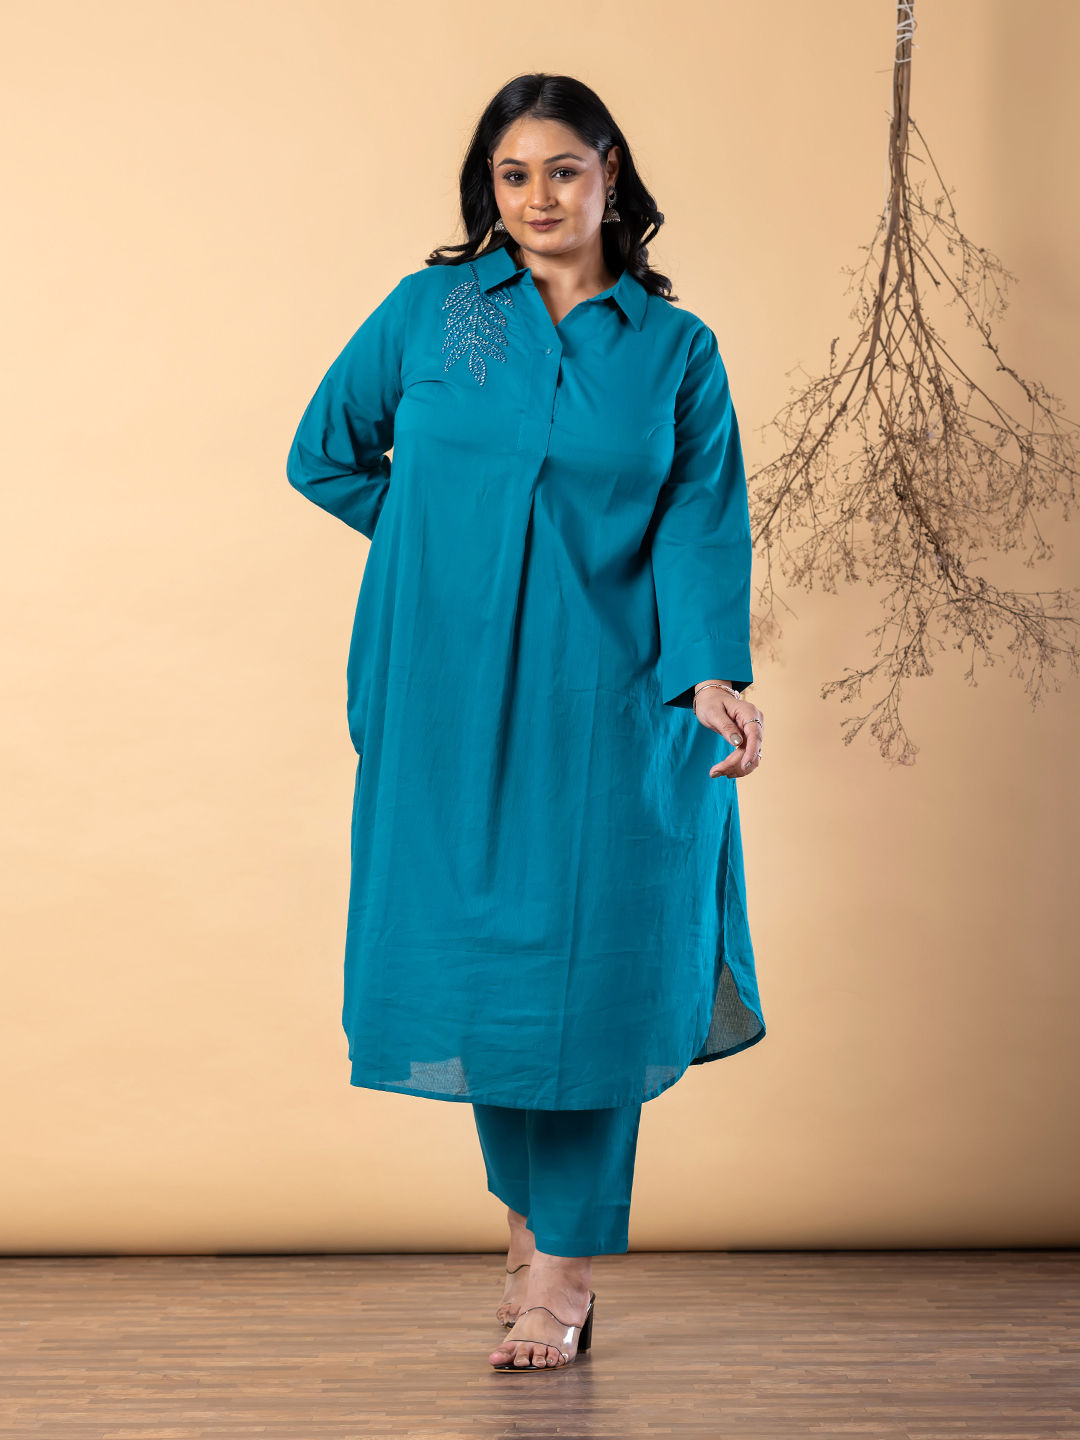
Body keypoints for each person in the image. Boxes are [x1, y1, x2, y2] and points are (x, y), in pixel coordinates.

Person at [285, 72, 767, 1373]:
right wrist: (442, 553)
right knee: (492, 974)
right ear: (487, 191)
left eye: (564, 170)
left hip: (613, 697)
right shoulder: (429, 313)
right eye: (513, 174)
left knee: (594, 975)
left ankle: (561, 1273)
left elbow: (700, 521)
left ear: (611, 176)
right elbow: (325, 453)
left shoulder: (674, 350)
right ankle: (532, 1235)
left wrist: (710, 675)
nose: (539, 197)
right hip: (445, 692)